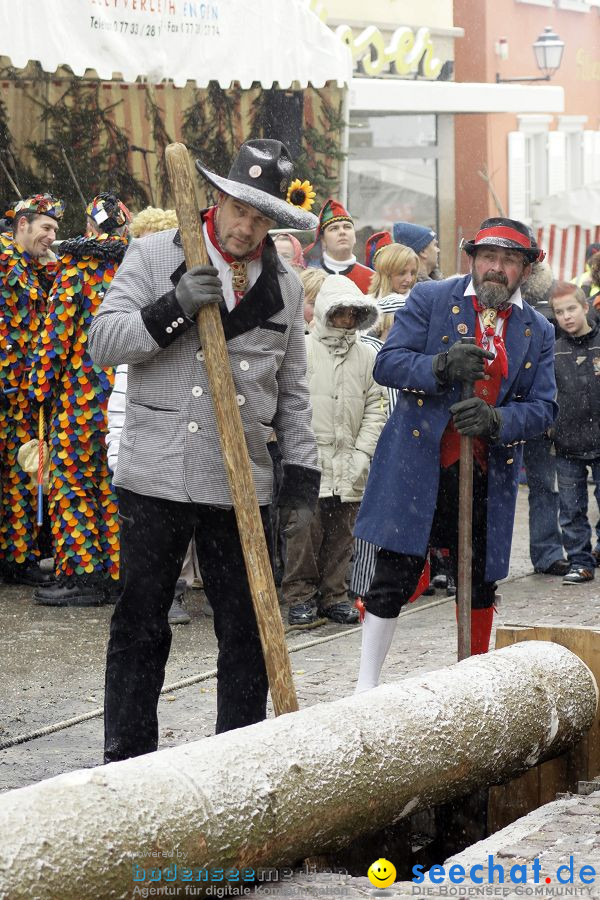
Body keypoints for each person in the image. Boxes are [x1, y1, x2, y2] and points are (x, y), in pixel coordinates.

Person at [87, 139, 320, 762]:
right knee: (141, 624)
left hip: (240, 482)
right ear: (215, 199)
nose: (246, 226)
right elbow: (102, 344)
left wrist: (300, 483)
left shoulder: (285, 286)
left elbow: (293, 391)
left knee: (245, 629)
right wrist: (173, 309)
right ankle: (128, 759)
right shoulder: (153, 254)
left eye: (261, 216)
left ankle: (236, 759)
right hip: (155, 474)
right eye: (238, 209)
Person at [353, 217, 557, 692]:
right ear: (473, 259)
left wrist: (499, 422)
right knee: (394, 574)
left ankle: (473, 683)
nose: (496, 268)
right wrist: (439, 366)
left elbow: (544, 408)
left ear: (525, 270)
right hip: (417, 463)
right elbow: (388, 363)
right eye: (488, 257)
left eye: (509, 260)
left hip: (488, 473)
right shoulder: (430, 299)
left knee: (478, 580)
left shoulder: (538, 329)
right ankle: (365, 686)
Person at [28, 193, 130, 606]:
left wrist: (39, 389)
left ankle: (82, 574)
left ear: (89, 228)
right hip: (123, 396)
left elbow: (56, 338)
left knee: (72, 482)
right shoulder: (132, 269)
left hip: (79, 400)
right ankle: (114, 572)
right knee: (111, 485)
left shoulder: (76, 271)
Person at [282, 275, 387, 626]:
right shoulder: (303, 348)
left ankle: (335, 594)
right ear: (327, 313)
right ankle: (300, 595)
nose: (346, 320)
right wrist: (298, 446)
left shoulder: (366, 355)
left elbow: (376, 406)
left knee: (343, 533)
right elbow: (289, 398)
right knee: (303, 530)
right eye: (340, 313)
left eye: (353, 314)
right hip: (309, 455)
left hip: (351, 457)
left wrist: (363, 452)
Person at [0, 193, 64, 586]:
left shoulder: (26, 264)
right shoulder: (6, 260)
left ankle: (17, 556)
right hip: (9, 391)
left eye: (56, 229)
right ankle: (16, 558)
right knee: (19, 474)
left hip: (20, 392)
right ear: (22, 224)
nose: (52, 236)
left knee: (20, 472)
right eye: (46, 228)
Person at [519, 259, 569, 576]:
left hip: (539, 405)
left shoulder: (553, 295)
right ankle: (482, 557)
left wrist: (553, 407)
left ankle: (547, 552)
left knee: (544, 485)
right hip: (501, 406)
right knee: (491, 490)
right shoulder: (489, 293)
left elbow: (560, 363)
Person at [549, 281, 600, 584]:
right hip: (567, 441)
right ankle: (580, 561)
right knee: (571, 509)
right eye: (559, 312)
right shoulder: (553, 350)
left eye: (571, 308)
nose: (566, 316)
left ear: (585, 307)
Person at [303, 198, 373, 291]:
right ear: (323, 239)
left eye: (347, 227)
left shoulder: (372, 278)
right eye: (334, 228)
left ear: (354, 236)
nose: (342, 232)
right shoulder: (308, 278)